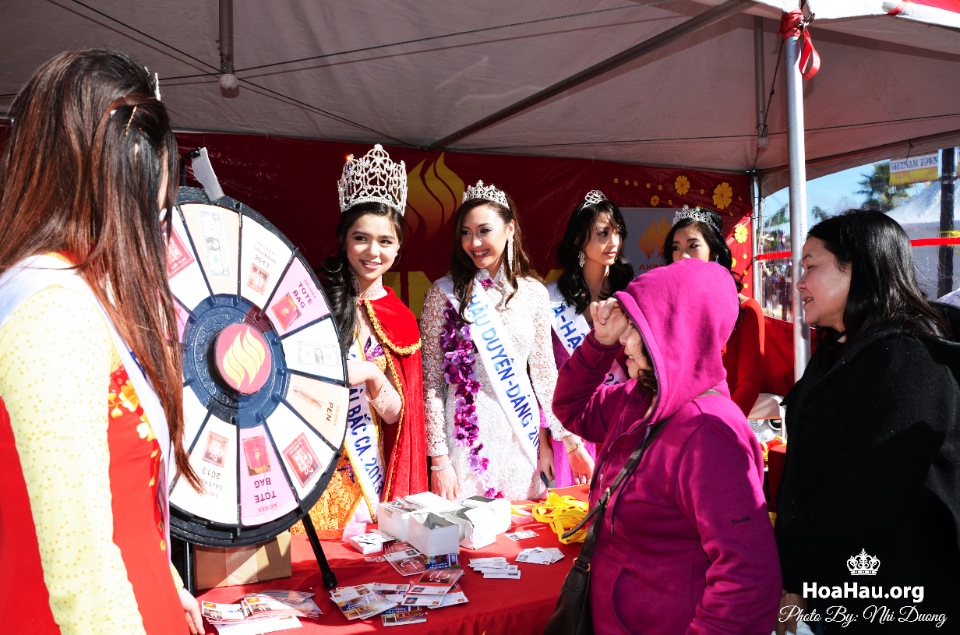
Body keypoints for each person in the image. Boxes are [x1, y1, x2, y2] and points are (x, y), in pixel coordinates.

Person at [0, 49, 203, 634]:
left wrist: (165, 579)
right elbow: (80, 568)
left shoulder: (75, 294)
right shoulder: (53, 313)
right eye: (152, 208)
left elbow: (118, 504)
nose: (153, 236)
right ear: (114, 187)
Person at [553, 258, 781, 634]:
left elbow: (748, 580)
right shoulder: (639, 397)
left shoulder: (708, 432)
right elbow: (572, 409)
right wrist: (600, 343)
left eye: (637, 326)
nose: (624, 339)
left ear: (676, 330)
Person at [775, 210, 960, 635]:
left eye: (810, 266)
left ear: (857, 267)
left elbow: (864, 497)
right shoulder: (838, 350)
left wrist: (797, 579)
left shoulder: (909, 359)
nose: (799, 282)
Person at [421, 181, 585, 500]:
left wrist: (570, 440)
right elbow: (432, 381)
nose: (474, 242)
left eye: (484, 230)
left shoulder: (535, 293)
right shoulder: (444, 294)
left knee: (522, 540)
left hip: (519, 438)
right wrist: (438, 459)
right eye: (466, 233)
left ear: (509, 229)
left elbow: (544, 374)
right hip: (466, 439)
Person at [295, 145, 426, 538]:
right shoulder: (310, 299)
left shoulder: (401, 318)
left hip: (373, 479)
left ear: (399, 247)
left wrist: (371, 375)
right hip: (313, 468)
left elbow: (397, 418)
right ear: (343, 239)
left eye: (386, 241)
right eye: (362, 238)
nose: (373, 252)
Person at [540, 189, 632, 486]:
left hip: (619, 421)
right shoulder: (551, 299)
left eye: (617, 232)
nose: (613, 242)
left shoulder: (629, 296)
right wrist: (544, 441)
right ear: (580, 239)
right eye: (603, 233)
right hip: (570, 430)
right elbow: (541, 372)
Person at [664, 206, 764, 416]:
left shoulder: (746, 309)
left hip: (721, 423)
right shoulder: (669, 306)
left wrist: (722, 427)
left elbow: (749, 385)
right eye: (676, 247)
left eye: (693, 246)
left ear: (714, 251)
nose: (683, 255)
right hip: (674, 420)